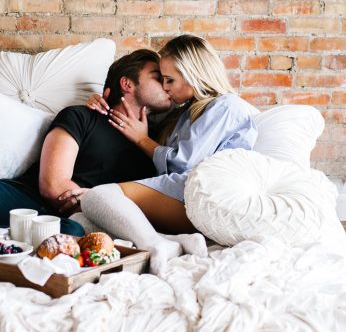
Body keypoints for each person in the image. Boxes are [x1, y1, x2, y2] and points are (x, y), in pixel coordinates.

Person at [0, 49, 172, 238]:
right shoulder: (81, 116)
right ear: (127, 83)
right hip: (21, 197)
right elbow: (53, 186)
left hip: (74, 220)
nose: (167, 85)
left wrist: (95, 204)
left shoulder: (157, 145)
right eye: (158, 77)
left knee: (71, 232)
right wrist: (94, 200)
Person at [81, 34, 258, 274]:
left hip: (197, 194)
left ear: (194, 75)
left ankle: (155, 245)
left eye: (170, 80)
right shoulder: (188, 111)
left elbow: (183, 163)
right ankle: (175, 242)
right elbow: (135, 105)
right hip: (179, 193)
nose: (165, 87)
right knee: (85, 219)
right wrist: (99, 99)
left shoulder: (225, 106)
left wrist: (143, 140)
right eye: (162, 80)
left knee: (95, 197)